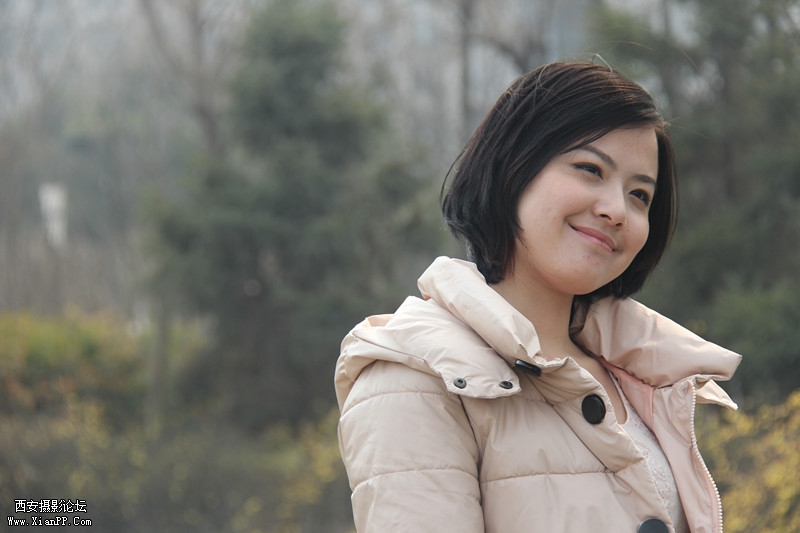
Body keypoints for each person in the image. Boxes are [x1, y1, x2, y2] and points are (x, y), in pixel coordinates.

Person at [334, 61, 741, 533]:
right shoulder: (413, 377)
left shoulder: (648, 376)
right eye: (590, 169)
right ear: (513, 168)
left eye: (639, 196)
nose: (616, 210)